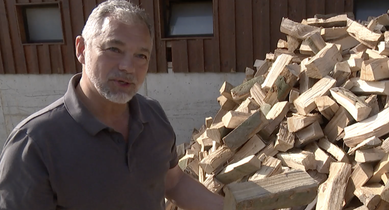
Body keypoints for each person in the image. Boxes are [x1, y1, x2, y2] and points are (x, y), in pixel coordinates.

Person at [0, 0, 224, 209]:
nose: (128, 66)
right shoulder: (33, 143)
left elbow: (174, 183)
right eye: (114, 49)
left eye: (141, 56)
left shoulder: (152, 115)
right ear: (81, 49)